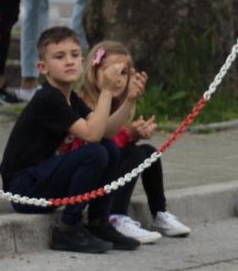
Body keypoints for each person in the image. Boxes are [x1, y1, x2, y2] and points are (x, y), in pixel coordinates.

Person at [0, 26, 135, 254]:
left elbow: (106, 133)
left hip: (42, 178)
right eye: (59, 57)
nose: (69, 61)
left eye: (74, 54)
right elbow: (91, 135)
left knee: (109, 148)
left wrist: (128, 100)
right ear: (43, 68)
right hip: (24, 189)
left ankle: (99, 222)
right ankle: (68, 229)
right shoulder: (48, 98)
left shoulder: (69, 97)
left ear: (82, 60)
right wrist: (106, 92)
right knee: (95, 152)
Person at [70, 40, 192, 243]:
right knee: (134, 153)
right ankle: (115, 215)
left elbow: (112, 138)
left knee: (148, 152)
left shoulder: (115, 101)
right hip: (82, 174)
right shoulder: (83, 101)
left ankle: (159, 213)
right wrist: (128, 135)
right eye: (111, 71)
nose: (118, 79)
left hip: (101, 168)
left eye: (124, 73)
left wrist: (134, 129)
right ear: (94, 72)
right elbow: (94, 143)